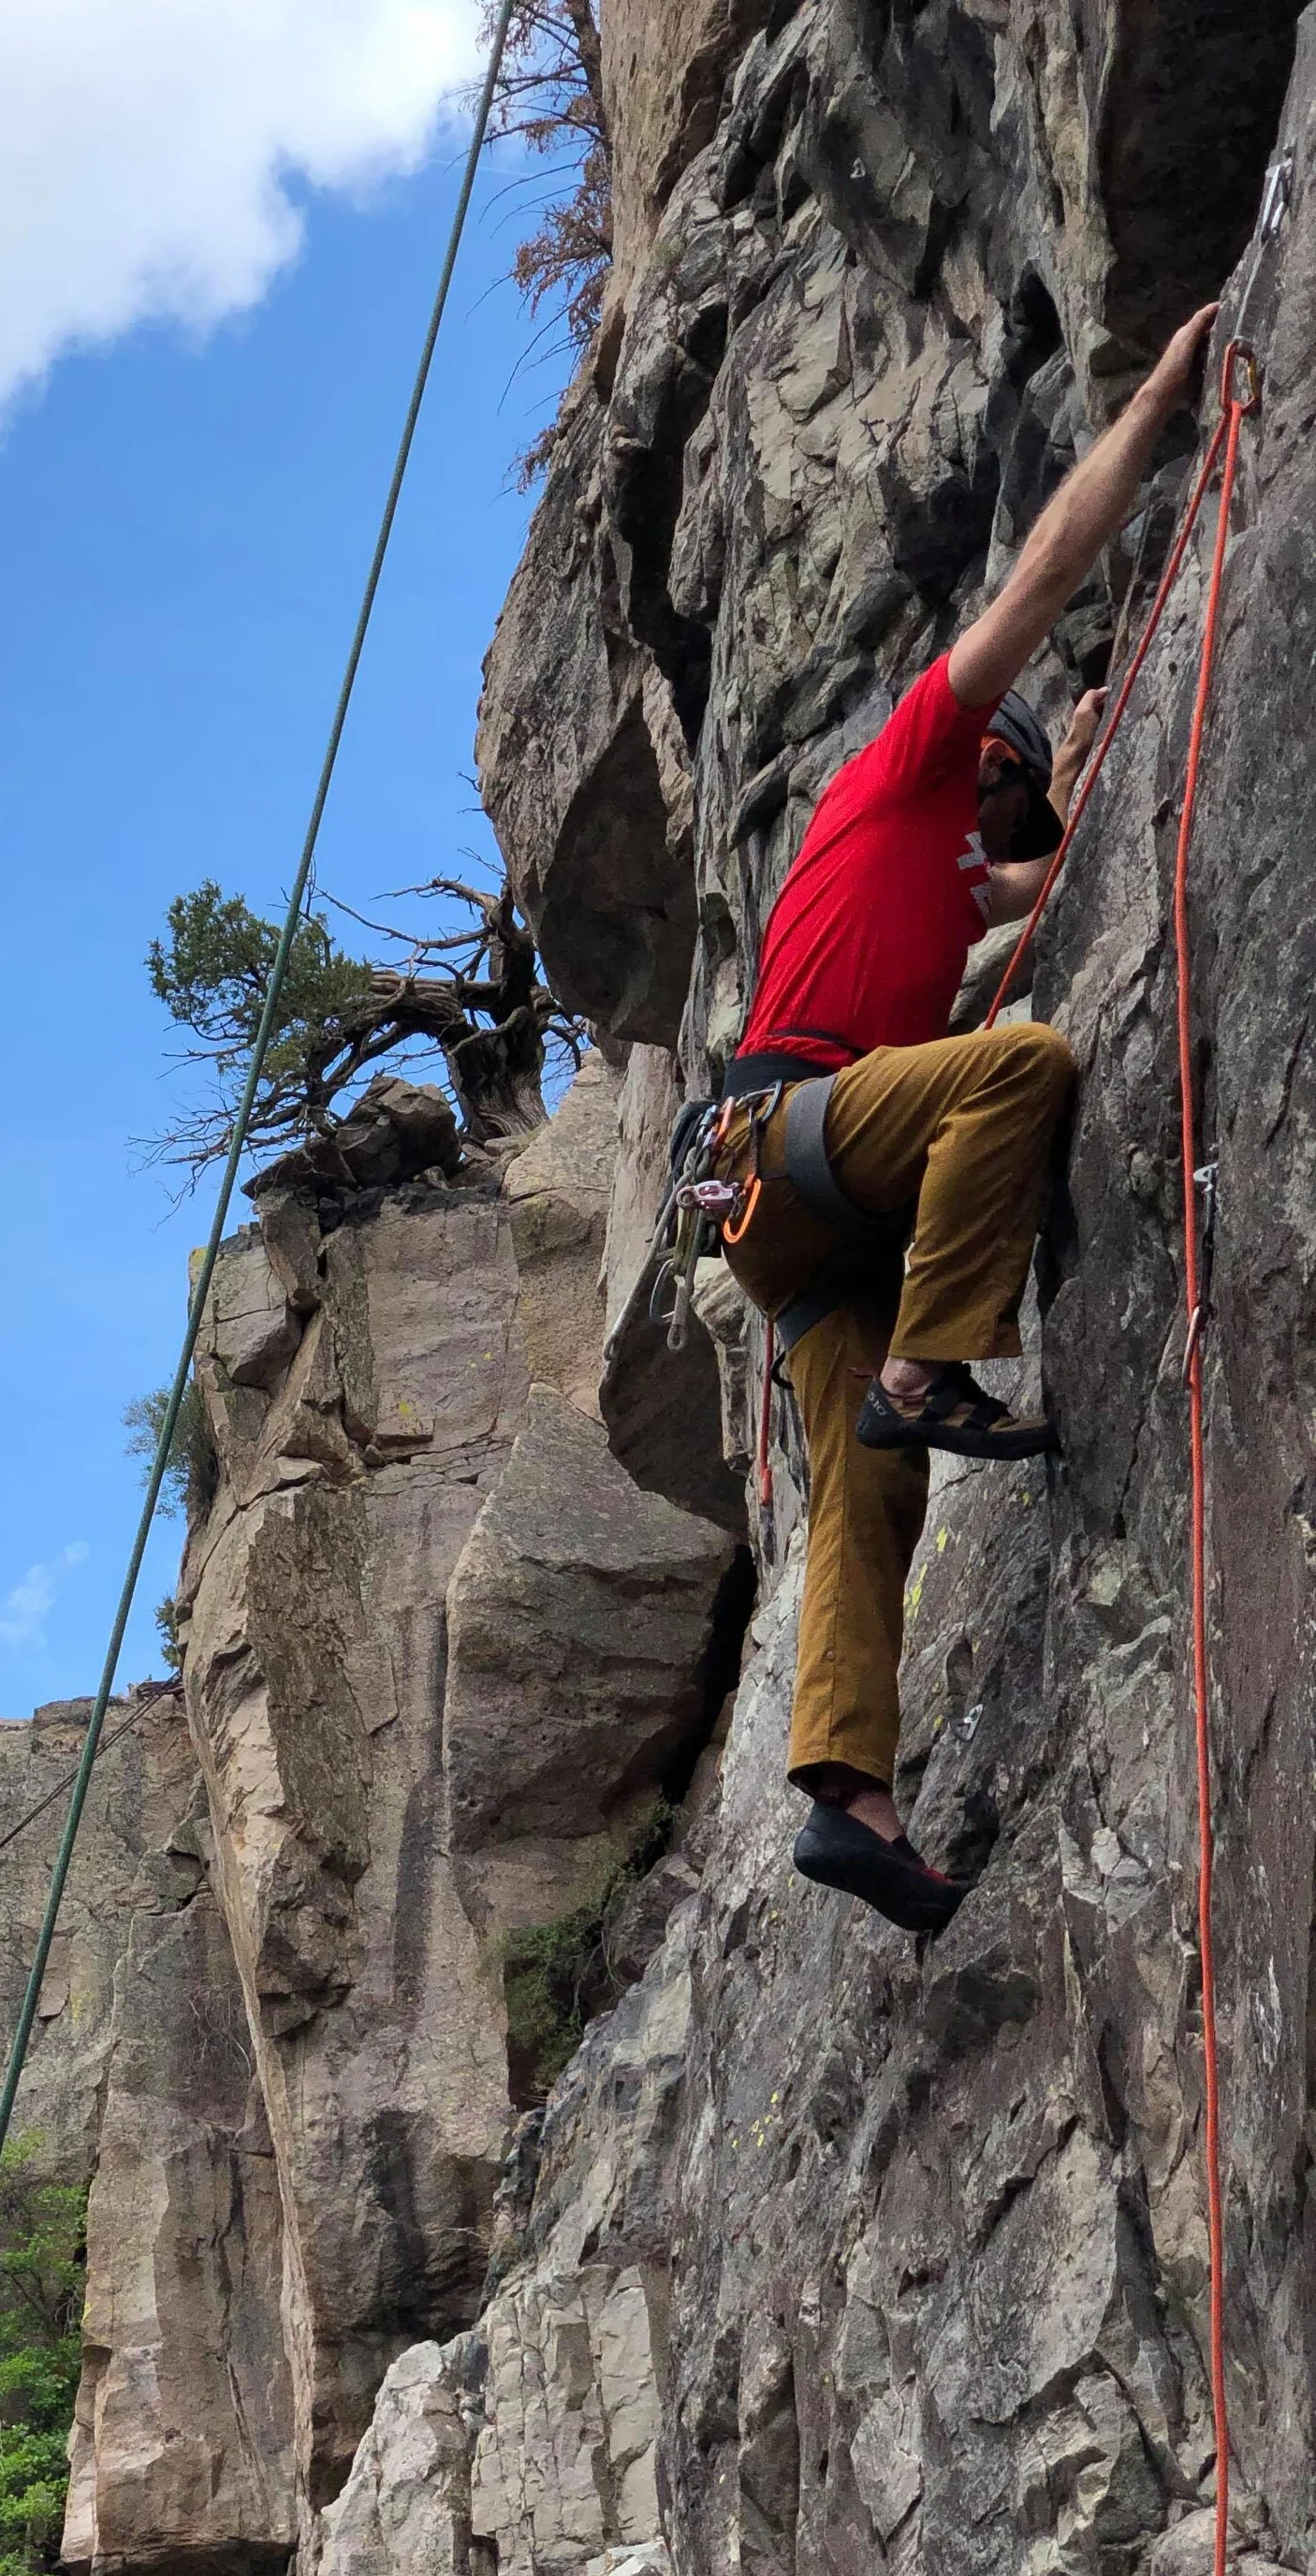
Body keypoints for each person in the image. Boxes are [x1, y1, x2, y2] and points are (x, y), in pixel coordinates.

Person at [716, 300, 1221, 1937]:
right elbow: (1043, 581)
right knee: (1018, 1067)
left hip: (800, 1222)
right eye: (1021, 785)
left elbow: (1038, 880)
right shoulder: (904, 773)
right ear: (980, 764)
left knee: (871, 1493)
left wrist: (1085, 765)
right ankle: (939, 1361)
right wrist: (1155, 405)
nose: (1016, 821)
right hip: (787, 1139)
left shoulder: (944, 878)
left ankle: (852, 1805)